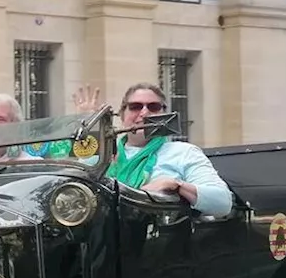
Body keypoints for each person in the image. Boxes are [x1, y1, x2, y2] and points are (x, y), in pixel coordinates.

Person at [77, 81, 232, 218]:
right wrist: (89, 128)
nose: (144, 113)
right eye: (135, 107)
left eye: (154, 107)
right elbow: (74, 184)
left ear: (164, 115)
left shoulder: (184, 152)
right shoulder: (103, 154)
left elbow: (223, 202)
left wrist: (176, 185)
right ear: (122, 115)